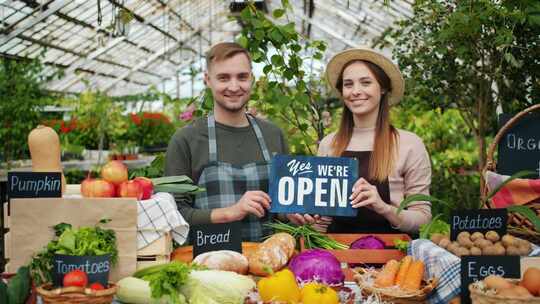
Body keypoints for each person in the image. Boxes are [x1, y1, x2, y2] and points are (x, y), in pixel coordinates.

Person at [164, 42, 288, 241]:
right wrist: (230, 213)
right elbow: (171, 215)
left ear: (252, 79)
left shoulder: (273, 135)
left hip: (269, 263)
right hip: (209, 263)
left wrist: (294, 213)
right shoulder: (187, 140)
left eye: (242, 77)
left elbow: (283, 208)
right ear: (208, 80)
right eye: (223, 78)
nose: (234, 86)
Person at [307, 47, 432, 234]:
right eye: (348, 84)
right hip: (338, 257)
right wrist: (309, 218)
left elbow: (423, 218)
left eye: (365, 83)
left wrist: (384, 208)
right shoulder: (329, 144)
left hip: (394, 258)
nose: (356, 91)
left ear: (382, 88)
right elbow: (322, 222)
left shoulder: (409, 144)